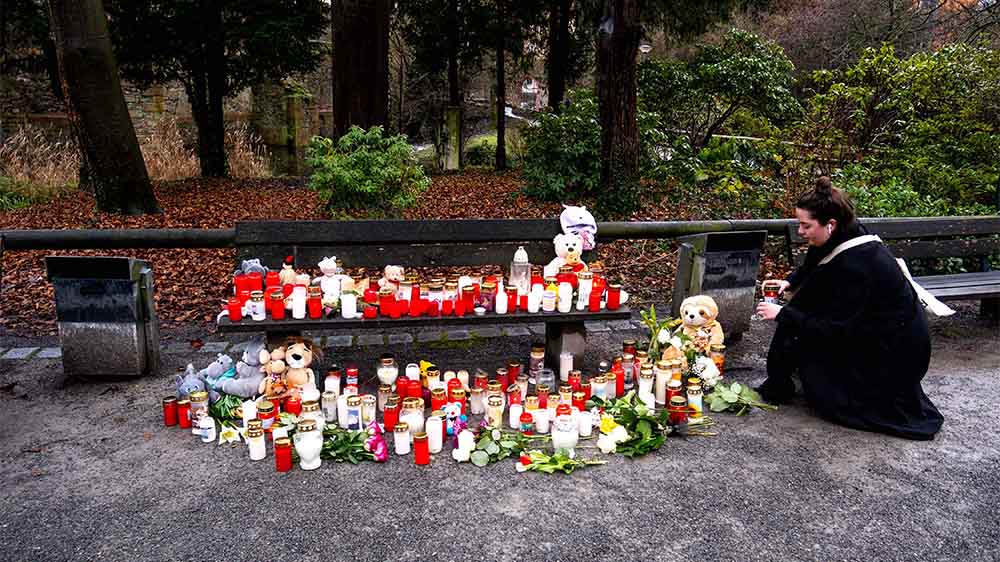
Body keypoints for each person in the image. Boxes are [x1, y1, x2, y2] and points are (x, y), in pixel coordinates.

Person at [755, 177, 944, 440]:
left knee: (808, 350)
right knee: (802, 315)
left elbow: (840, 329)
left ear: (830, 224)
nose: (800, 231)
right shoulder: (847, 229)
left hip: (894, 354)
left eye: (806, 225)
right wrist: (790, 281)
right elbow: (816, 259)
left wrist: (783, 314)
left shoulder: (859, 266)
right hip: (882, 334)